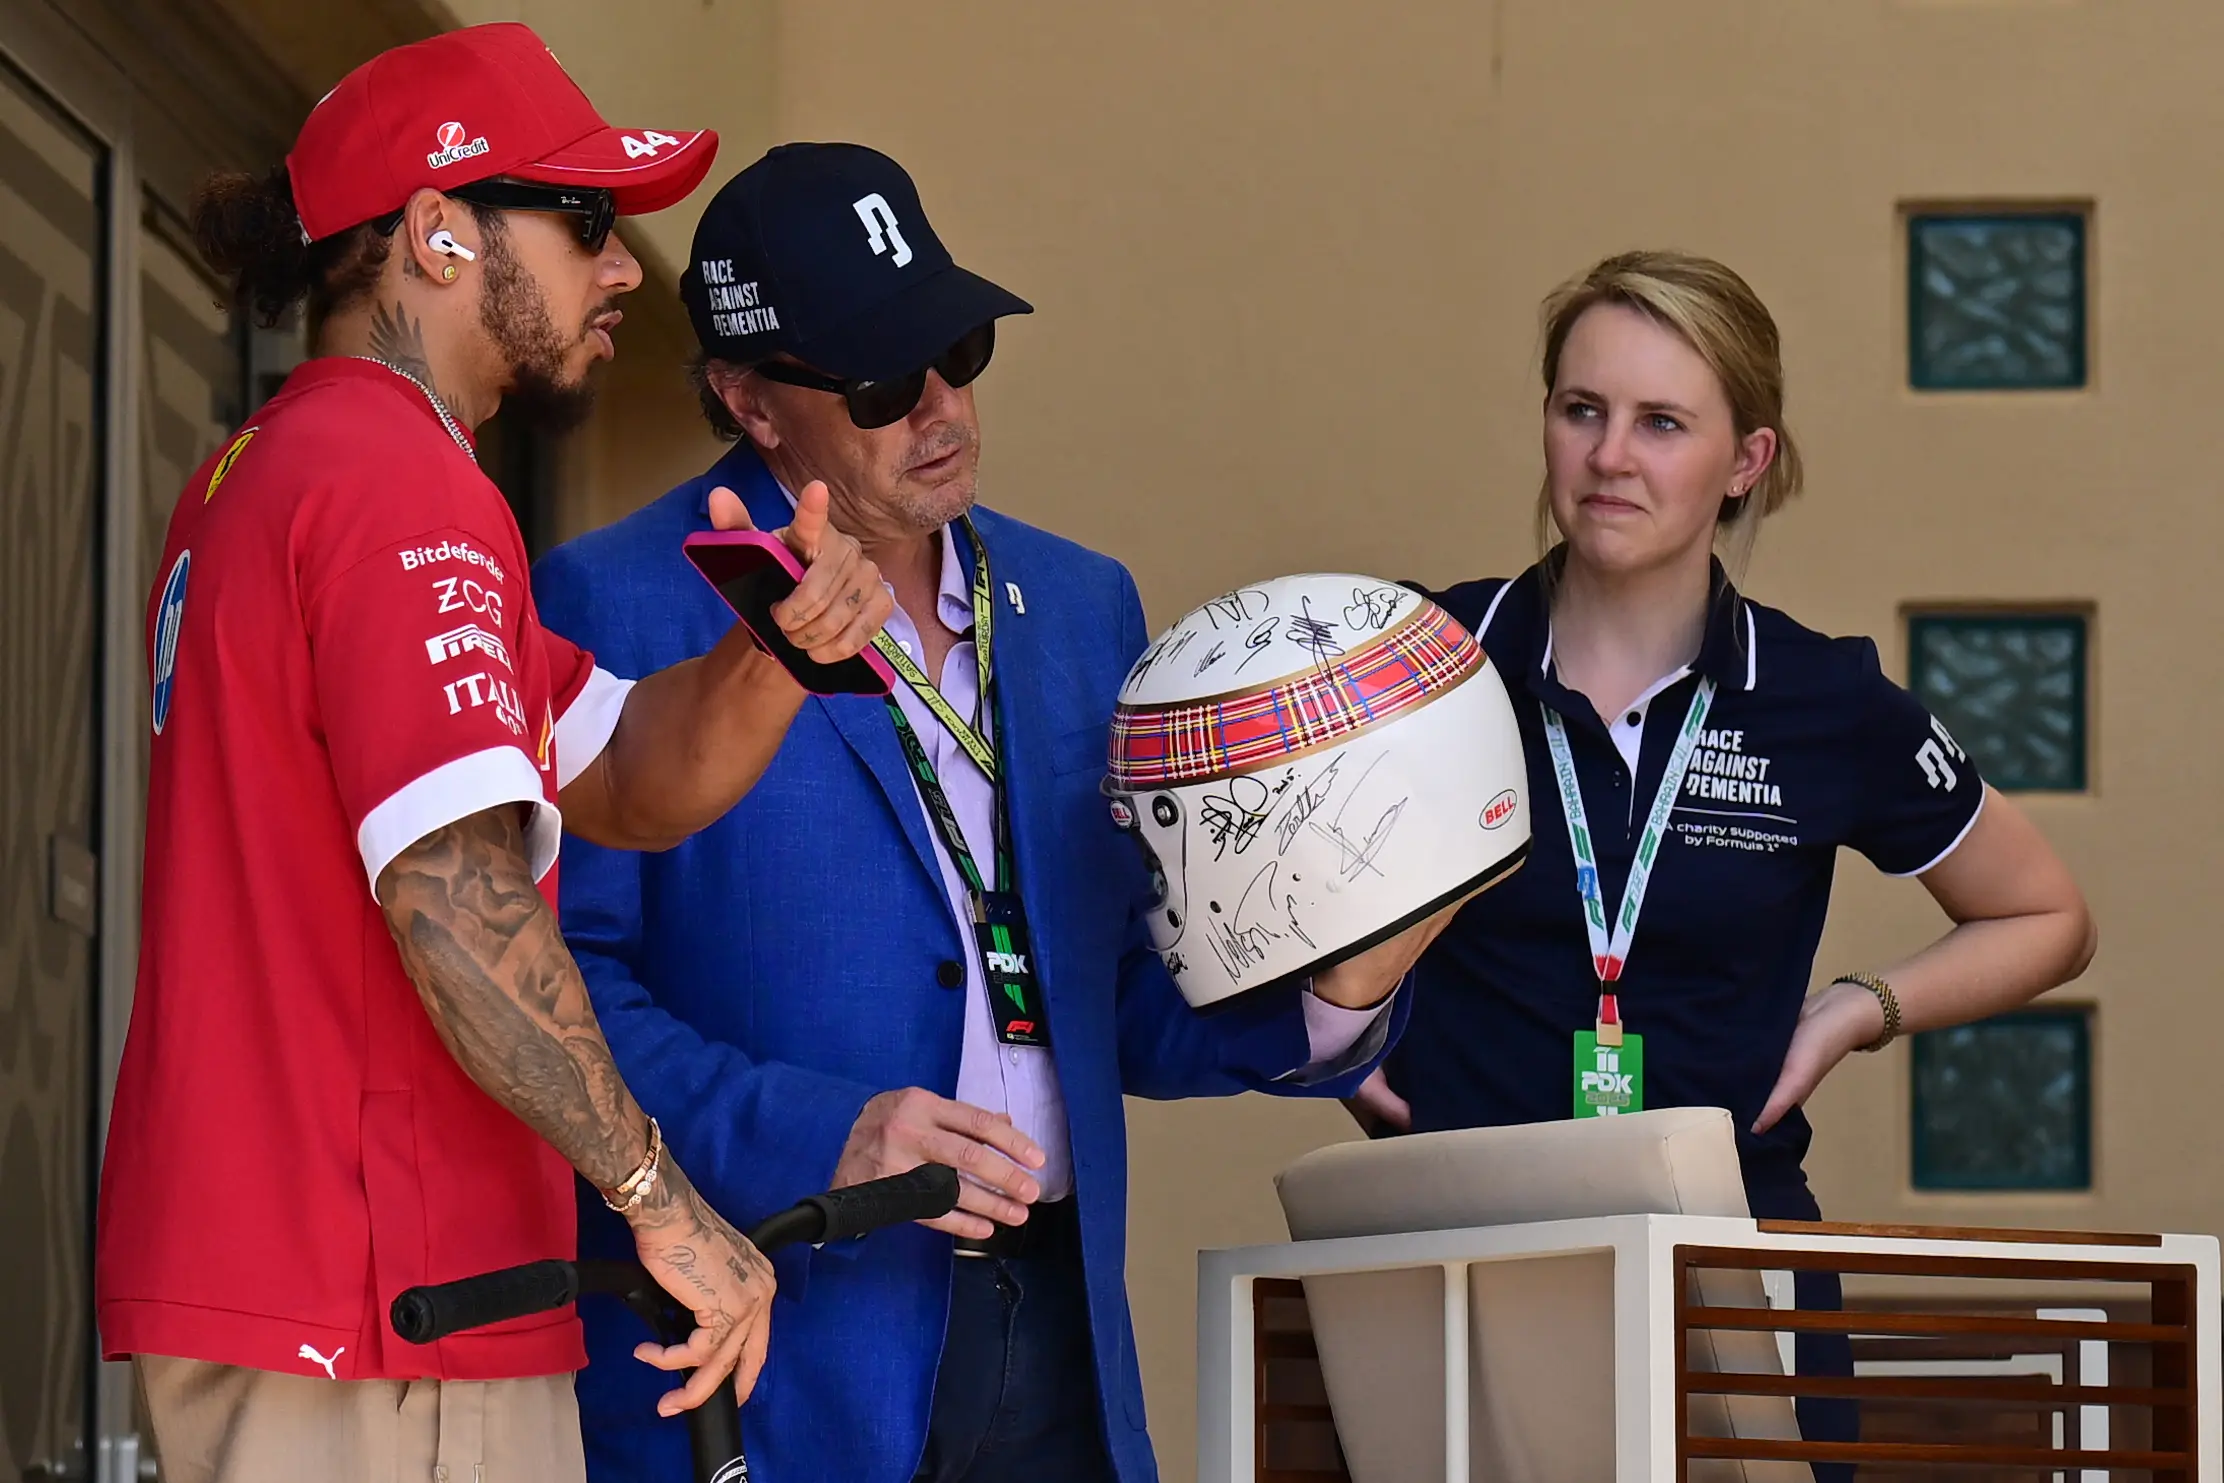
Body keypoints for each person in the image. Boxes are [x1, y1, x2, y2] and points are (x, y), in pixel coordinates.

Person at [532, 143, 1445, 1483]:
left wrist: (1333, 995)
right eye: (881, 384)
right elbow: (560, 994)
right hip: (788, 1341)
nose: (942, 407)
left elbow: (1118, 984)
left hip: (1055, 1323)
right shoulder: (607, 602)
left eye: (959, 349)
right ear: (748, 400)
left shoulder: (1081, 604)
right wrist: (825, 1132)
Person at [96, 27, 894, 1483]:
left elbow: (626, 771)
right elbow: (455, 897)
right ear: (438, 232)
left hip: (319, 1290)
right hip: (381, 1303)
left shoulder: (284, 466)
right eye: (584, 218)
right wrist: (660, 1196)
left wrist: (781, 649)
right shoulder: (396, 483)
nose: (622, 269)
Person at [1348, 249, 2098, 1473]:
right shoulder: (1422, 660)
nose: (1610, 456)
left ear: (1745, 459)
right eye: (1581, 409)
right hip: (1449, 1249)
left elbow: (2044, 916)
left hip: (1731, 1257)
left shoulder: (1819, 697)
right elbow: (1234, 868)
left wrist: (1854, 1010)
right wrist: (1329, 1044)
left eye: (1661, 422)